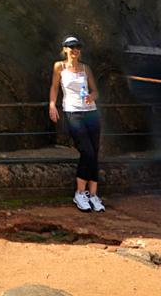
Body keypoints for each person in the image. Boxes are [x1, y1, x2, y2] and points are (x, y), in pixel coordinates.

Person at [48, 37, 103, 212]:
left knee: (94, 152)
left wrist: (91, 97)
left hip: (91, 112)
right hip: (73, 112)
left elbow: (95, 91)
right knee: (86, 150)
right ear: (65, 49)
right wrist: (52, 105)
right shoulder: (60, 67)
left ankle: (93, 195)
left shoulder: (86, 69)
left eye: (77, 47)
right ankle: (80, 192)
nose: (75, 50)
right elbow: (55, 87)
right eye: (71, 47)